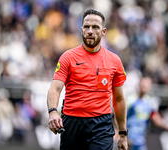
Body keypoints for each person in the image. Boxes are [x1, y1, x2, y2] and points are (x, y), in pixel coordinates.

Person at [47, 9, 128, 150]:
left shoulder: (114, 61)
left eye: (95, 27)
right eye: (87, 27)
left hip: (101, 125)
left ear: (103, 31)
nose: (90, 31)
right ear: (81, 29)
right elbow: (55, 88)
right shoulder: (68, 57)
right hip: (72, 122)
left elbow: (119, 99)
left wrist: (122, 134)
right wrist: (53, 112)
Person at [126, 76, 168, 150]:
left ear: (150, 86)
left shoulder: (149, 102)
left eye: (146, 84)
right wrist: (122, 135)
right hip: (129, 140)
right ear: (139, 84)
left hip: (140, 141)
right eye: (143, 83)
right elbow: (119, 118)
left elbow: (155, 118)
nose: (144, 85)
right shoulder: (130, 100)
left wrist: (167, 126)